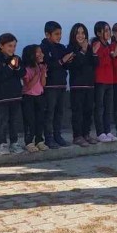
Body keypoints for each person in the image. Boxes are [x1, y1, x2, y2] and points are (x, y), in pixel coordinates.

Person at [64, 23, 97, 146]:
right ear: (73, 34)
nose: (81, 35)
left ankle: (86, 134)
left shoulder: (89, 48)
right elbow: (75, 64)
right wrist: (82, 51)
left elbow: (95, 63)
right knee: (77, 111)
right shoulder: (70, 48)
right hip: (77, 85)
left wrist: (92, 51)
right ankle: (77, 136)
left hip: (89, 85)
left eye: (83, 33)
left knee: (88, 111)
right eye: (78, 32)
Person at [0, 33, 24, 154]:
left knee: (14, 121)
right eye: (9, 46)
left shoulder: (16, 58)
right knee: (3, 121)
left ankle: (14, 143)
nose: (12, 49)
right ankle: (2, 143)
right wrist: (11, 66)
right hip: (2, 97)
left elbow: (22, 73)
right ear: (1, 46)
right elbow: (1, 76)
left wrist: (17, 66)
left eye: (14, 46)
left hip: (15, 96)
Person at [40, 21, 69, 149]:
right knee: (49, 112)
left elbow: (65, 65)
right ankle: (48, 137)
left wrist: (68, 60)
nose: (59, 36)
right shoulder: (43, 48)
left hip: (61, 84)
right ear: (47, 34)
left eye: (60, 34)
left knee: (59, 112)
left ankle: (58, 135)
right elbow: (48, 65)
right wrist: (61, 61)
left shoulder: (62, 48)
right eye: (56, 34)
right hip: (50, 85)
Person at [20, 44, 49, 152]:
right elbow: (28, 86)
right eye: (39, 52)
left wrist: (42, 73)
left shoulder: (41, 67)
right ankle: (29, 142)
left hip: (40, 96)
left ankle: (39, 140)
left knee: (40, 120)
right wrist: (37, 73)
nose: (42, 54)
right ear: (31, 55)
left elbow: (43, 83)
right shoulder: (26, 69)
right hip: (29, 97)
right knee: (29, 120)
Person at [92, 21, 116, 142]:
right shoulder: (97, 44)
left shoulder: (109, 45)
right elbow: (98, 61)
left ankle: (108, 130)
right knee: (99, 107)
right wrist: (111, 55)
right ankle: (100, 132)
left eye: (109, 30)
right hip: (100, 79)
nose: (108, 33)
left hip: (109, 80)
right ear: (98, 33)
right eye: (105, 30)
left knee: (108, 106)